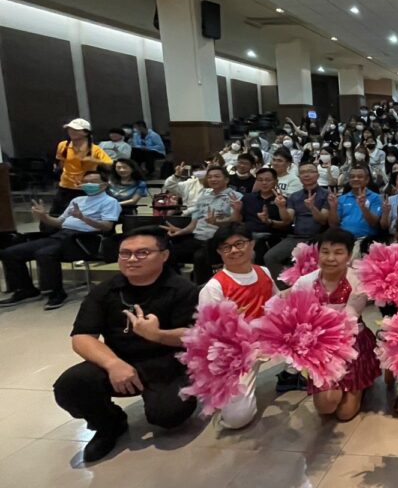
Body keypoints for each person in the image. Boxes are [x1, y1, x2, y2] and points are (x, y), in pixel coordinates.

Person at [52, 227, 198, 462]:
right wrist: (113, 364)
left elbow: (195, 336)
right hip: (120, 360)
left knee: (169, 416)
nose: (131, 259)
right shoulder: (105, 290)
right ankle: (109, 423)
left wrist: (158, 334)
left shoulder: (183, 289)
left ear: (164, 255)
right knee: (70, 386)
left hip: (168, 365)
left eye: (142, 253)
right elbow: (82, 336)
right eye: (125, 253)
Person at [197, 224, 289, 426]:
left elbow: (276, 305)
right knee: (237, 418)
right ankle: (224, 390)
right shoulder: (214, 287)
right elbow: (207, 336)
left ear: (252, 244)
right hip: (237, 353)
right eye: (226, 247)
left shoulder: (263, 271)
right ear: (219, 252)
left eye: (239, 244)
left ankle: (291, 375)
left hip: (266, 339)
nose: (234, 250)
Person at [0, 171, 121, 310]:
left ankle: (56, 293)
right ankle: (26, 289)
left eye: (93, 182)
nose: (88, 185)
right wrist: (44, 217)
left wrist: (83, 218)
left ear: (104, 185)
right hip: (61, 236)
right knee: (10, 253)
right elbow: (59, 222)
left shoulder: (110, 202)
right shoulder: (77, 201)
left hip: (84, 240)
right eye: (85, 182)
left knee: (45, 254)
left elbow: (107, 227)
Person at [293, 229, 380, 421]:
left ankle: (361, 384)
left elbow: (350, 317)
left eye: (338, 252)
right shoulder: (304, 282)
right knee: (325, 407)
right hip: (319, 346)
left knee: (345, 414)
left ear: (349, 256)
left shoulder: (358, 280)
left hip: (351, 342)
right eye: (325, 251)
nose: (330, 258)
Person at [161, 166, 242, 284]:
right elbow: (193, 225)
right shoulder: (204, 197)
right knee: (166, 251)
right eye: (210, 177)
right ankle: (176, 284)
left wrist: (217, 222)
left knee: (200, 257)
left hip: (217, 239)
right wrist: (180, 230)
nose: (213, 179)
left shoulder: (235, 197)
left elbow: (236, 222)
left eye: (217, 176)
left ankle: (201, 288)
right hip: (197, 237)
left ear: (226, 180)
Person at [264, 162, 330, 287]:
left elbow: (323, 220)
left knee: (312, 263)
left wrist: (312, 208)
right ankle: (286, 289)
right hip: (296, 237)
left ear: (317, 175)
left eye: (310, 171)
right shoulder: (295, 196)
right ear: (299, 177)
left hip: (318, 237)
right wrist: (281, 207)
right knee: (270, 257)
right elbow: (287, 219)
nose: (306, 175)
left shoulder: (326, 194)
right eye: (303, 172)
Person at [52, 118, 113, 217]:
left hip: (85, 188)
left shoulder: (95, 150)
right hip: (65, 186)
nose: (72, 132)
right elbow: (61, 162)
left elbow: (111, 165)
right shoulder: (63, 145)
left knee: (84, 215)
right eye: (70, 129)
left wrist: (94, 161)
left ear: (86, 133)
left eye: (76, 130)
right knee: (57, 214)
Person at [328, 164, 382, 245]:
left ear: (367, 180)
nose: (355, 179)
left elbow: (374, 223)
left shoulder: (376, 198)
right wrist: (333, 207)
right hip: (344, 240)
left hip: (366, 240)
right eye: (352, 177)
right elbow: (333, 225)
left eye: (360, 177)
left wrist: (363, 207)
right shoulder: (341, 198)